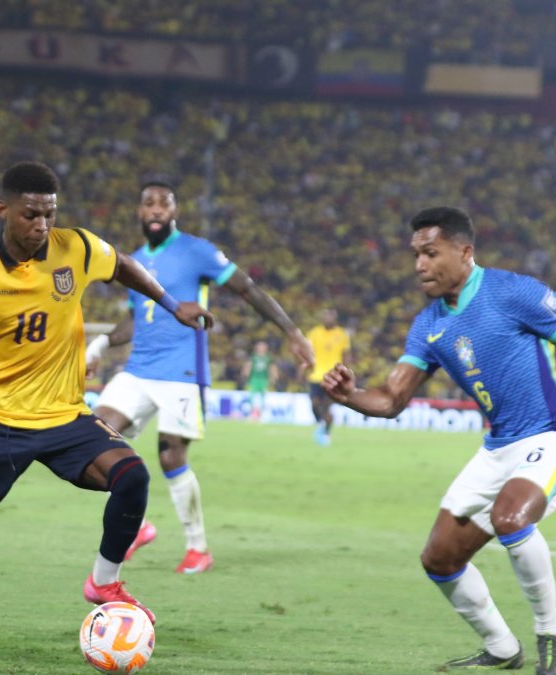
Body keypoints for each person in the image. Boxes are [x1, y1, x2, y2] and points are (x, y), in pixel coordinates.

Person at [0, 162, 214, 649]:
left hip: (63, 416)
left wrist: (174, 305)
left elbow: (125, 265)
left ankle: (104, 582)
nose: (42, 226)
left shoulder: (78, 247)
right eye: (31, 215)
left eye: (49, 214)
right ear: (4, 210)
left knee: (132, 477)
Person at [322, 207, 556, 673]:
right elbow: (391, 399)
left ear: (465, 251)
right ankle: (503, 649)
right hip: (499, 446)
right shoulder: (428, 324)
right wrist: (350, 396)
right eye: (415, 255)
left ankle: (551, 635)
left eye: (430, 253)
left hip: (549, 435)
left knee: (510, 517)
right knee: (440, 558)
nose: (419, 265)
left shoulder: (512, 292)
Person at [84, 180, 313, 573]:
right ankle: (136, 523)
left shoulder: (197, 251)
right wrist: (101, 344)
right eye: (148, 203)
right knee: (94, 436)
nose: (156, 209)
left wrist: (291, 332)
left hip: (182, 370)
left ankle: (197, 548)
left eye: (164, 203)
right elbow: (138, 319)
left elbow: (248, 289)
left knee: (171, 454)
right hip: (139, 368)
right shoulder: (134, 261)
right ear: (139, 212)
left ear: (175, 211)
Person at [304, 308, 350, 447]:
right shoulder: (314, 333)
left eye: (330, 317)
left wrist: (346, 374)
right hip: (315, 376)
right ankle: (322, 425)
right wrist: (304, 368)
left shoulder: (342, 334)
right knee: (314, 404)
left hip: (333, 376)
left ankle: (326, 433)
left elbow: (346, 355)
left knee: (327, 407)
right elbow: (307, 353)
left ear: (334, 318)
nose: (327, 319)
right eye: (325, 316)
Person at [242, 341, 278, 422]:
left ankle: (261, 415)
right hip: (254, 379)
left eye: (263, 347)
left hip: (264, 380)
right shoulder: (253, 357)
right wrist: (246, 373)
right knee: (252, 396)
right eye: (260, 346)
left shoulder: (268, 358)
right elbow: (248, 365)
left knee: (263, 397)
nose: (261, 348)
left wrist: (274, 376)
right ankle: (252, 414)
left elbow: (272, 367)